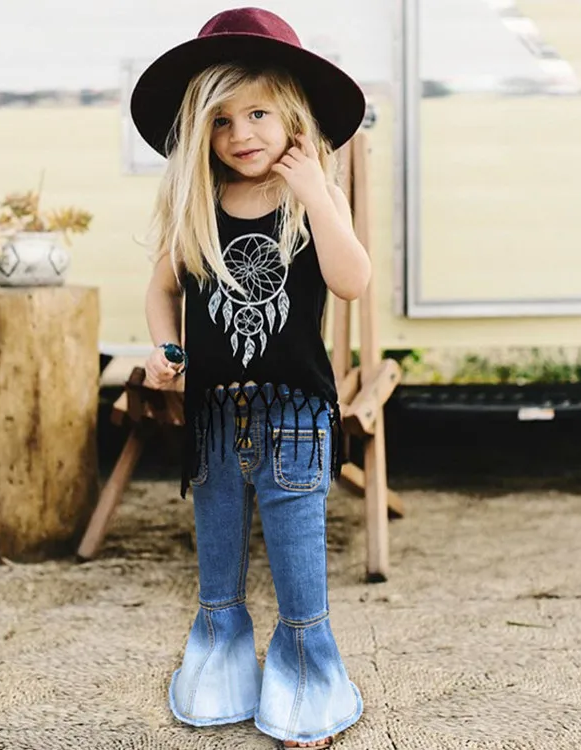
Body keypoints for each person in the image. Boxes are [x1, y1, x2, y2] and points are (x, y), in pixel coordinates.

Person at [131, 7, 371, 748]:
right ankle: (220, 671)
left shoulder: (310, 202)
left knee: (298, 563)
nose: (241, 134)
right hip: (212, 421)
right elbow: (162, 291)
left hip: (296, 419)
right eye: (222, 121)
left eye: (258, 113)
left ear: (292, 115)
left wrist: (318, 193)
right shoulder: (198, 206)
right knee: (218, 561)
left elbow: (353, 280)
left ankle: (309, 685)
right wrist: (167, 349)